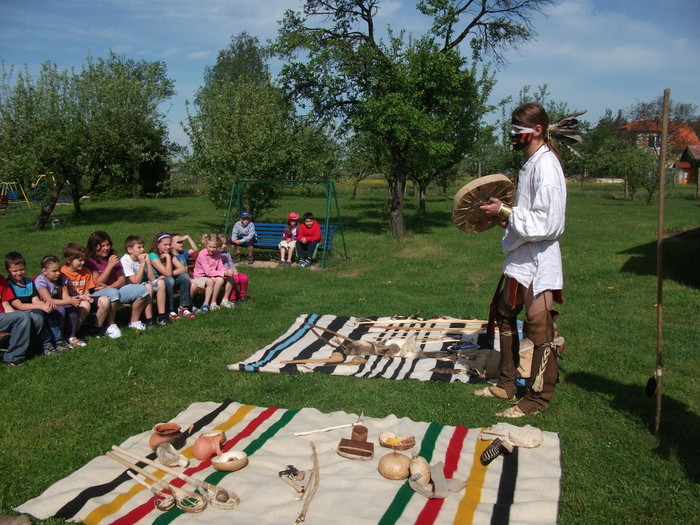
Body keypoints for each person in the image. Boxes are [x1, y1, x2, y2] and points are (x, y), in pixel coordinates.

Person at [476, 102, 568, 419]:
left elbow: (549, 223)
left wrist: (505, 211)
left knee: (540, 330)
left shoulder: (546, 166)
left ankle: (538, 397)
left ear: (537, 130)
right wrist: (506, 217)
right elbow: (527, 213)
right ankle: (506, 384)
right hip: (521, 256)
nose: (513, 135)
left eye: (518, 129)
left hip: (539, 257)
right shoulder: (531, 163)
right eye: (512, 128)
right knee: (504, 314)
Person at [85, 231, 151, 331]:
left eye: (108, 245)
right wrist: (110, 266)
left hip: (114, 289)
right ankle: (110, 325)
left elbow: (121, 280)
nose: (106, 248)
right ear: (94, 246)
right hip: (98, 294)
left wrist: (109, 287)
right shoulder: (90, 262)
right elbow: (97, 284)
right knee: (113, 293)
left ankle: (134, 322)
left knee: (142, 289)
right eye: (102, 246)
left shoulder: (113, 257)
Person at [5, 251, 62, 355]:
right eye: (15, 271)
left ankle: (58, 341)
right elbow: (19, 306)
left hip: (31, 309)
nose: (19, 273)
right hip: (18, 313)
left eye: (22, 269)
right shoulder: (8, 285)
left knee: (49, 315)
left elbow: (35, 299)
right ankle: (46, 345)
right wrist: (41, 307)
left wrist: (44, 305)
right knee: (39, 317)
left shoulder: (29, 282)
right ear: (7, 271)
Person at [61, 243, 120, 339]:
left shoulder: (86, 271)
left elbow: (87, 291)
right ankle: (73, 332)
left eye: (83, 260)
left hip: (85, 298)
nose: (83, 262)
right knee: (85, 305)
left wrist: (87, 296)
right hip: (72, 300)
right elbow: (64, 295)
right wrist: (82, 297)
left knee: (105, 300)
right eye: (80, 260)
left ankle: (96, 328)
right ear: (69, 260)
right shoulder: (63, 272)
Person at [35, 255, 86, 348]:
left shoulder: (62, 278)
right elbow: (49, 300)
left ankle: (71, 336)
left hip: (58, 302)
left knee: (73, 308)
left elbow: (65, 296)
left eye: (59, 270)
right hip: (45, 306)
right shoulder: (40, 281)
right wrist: (70, 301)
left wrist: (72, 301)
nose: (58, 273)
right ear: (44, 271)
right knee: (60, 310)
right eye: (54, 271)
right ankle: (59, 338)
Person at [119, 235, 169, 326]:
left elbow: (152, 278)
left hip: (142, 284)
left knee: (161, 282)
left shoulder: (141, 258)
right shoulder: (125, 260)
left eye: (143, 247)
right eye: (139, 247)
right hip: (130, 287)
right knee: (148, 287)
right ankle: (149, 319)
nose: (142, 249)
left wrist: (148, 263)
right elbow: (135, 282)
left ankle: (162, 316)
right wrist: (142, 264)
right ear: (130, 249)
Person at [148, 232, 195, 320]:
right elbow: (168, 274)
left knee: (184, 277)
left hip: (167, 279)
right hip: (157, 283)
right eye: (165, 245)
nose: (168, 247)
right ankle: (170, 310)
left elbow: (182, 269)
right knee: (170, 279)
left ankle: (183, 307)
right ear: (157, 245)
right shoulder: (153, 256)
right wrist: (168, 258)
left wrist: (168, 258)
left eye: (169, 244)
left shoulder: (169, 254)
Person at [0, 273, 39, 366]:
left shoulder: (0, 279)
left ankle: (25, 352)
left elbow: (6, 306)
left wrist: (14, 320)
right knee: (22, 317)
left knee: (35, 317)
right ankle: (13, 357)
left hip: (2, 316)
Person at [192, 234, 232, 311]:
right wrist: (223, 273)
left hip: (210, 275)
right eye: (210, 247)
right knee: (219, 280)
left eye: (214, 247)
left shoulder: (217, 253)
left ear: (218, 247)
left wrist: (226, 271)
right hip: (200, 277)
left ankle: (224, 300)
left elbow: (220, 266)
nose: (212, 249)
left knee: (230, 278)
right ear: (206, 245)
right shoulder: (203, 254)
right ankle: (212, 303)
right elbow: (208, 272)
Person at [169, 233, 197, 318]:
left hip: (185, 279)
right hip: (176, 280)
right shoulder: (171, 256)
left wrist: (188, 237)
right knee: (191, 284)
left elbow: (195, 249)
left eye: (182, 242)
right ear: (171, 244)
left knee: (192, 285)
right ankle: (187, 306)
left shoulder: (183, 253)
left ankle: (183, 307)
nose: (181, 244)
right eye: (178, 242)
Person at [217, 233, 249, 307]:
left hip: (231, 271)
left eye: (225, 244)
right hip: (224, 273)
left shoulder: (227, 253)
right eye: (221, 244)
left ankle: (242, 295)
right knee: (235, 279)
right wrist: (227, 271)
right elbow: (218, 266)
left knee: (244, 278)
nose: (224, 246)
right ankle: (232, 298)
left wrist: (234, 269)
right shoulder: (216, 254)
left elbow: (230, 263)